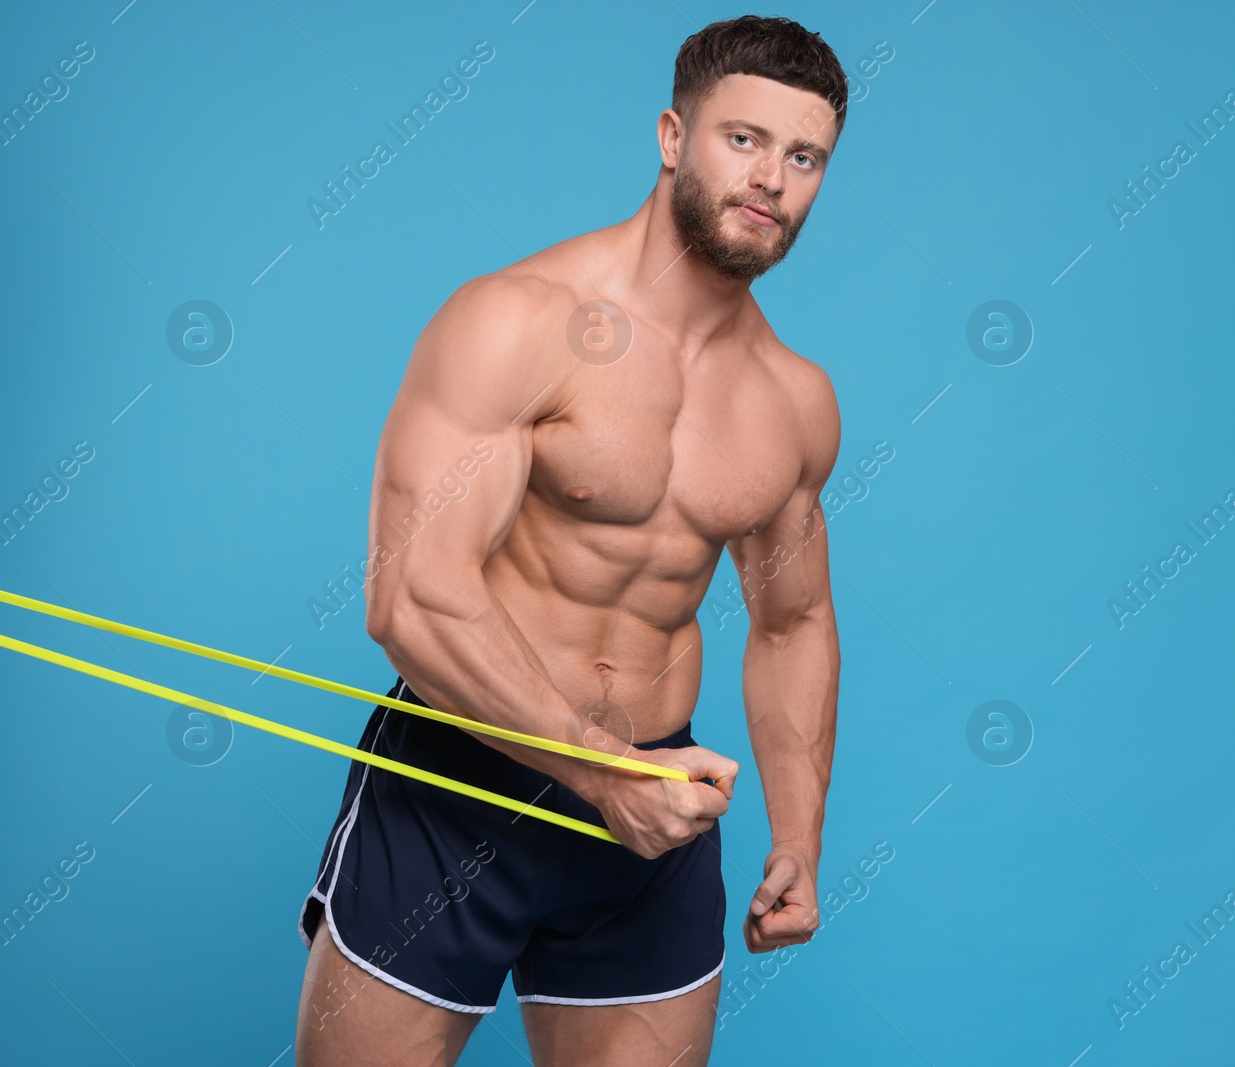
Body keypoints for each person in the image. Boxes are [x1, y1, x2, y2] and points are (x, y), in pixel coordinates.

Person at [295, 14, 848, 1066]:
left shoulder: (793, 401)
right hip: (456, 786)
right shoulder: (517, 321)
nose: (772, 176)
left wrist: (798, 835)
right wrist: (597, 772)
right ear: (672, 137)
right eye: (743, 139)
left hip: (655, 814)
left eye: (804, 155)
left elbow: (794, 620)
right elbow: (410, 595)